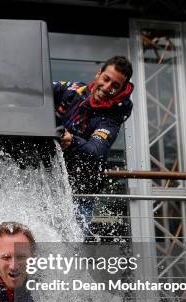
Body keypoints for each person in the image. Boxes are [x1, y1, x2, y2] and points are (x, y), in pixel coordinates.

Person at [54, 56, 133, 236]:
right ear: (98, 74)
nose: (107, 88)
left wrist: (72, 140)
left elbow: (96, 151)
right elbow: (38, 91)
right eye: (106, 79)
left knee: (71, 253)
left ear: (121, 89)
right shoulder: (74, 89)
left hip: (81, 194)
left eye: (115, 86)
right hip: (49, 183)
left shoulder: (113, 118)